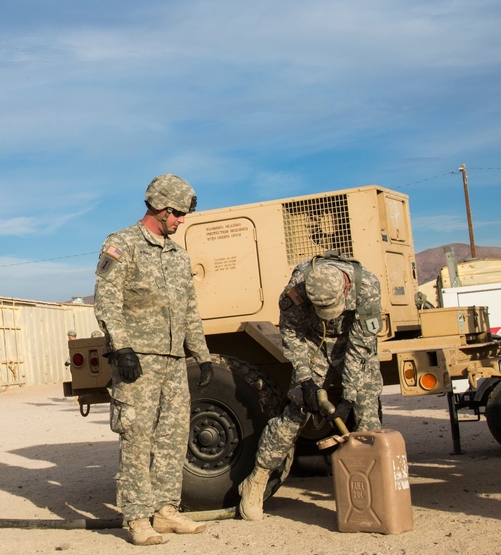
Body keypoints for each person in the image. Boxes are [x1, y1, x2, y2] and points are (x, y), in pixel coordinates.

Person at [93, 173, 214, 546]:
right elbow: (107, 299)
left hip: (174, 360)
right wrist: (122, 346)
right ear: (160, 209)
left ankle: (165, 511)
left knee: (172, 437)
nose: (180, 221)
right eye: (176, 214)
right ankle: (137, 516)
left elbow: (189, 309)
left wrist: (202, 354)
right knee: (137, 436)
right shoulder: (122, 244)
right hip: (137, 361)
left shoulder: (179, 255)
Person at [238, 250, 383, 521]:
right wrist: (305, 381)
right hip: (313, 343)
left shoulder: (368, 287)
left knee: (367, 411)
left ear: (346, 287)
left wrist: (348, 398)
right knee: (296, 412)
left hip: (351, 344)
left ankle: (374, 490)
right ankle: (256, 479)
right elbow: (291, 333)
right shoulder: (296, 289)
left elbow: (359, 347)